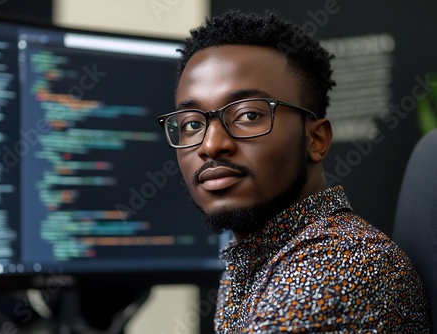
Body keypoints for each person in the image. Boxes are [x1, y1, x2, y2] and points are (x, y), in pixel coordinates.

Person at [157, 9, 431, 333]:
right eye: (191, 123)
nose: (211, 145)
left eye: (248, 115)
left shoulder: (335, 270)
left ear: (316, 140)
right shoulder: (256, 259)